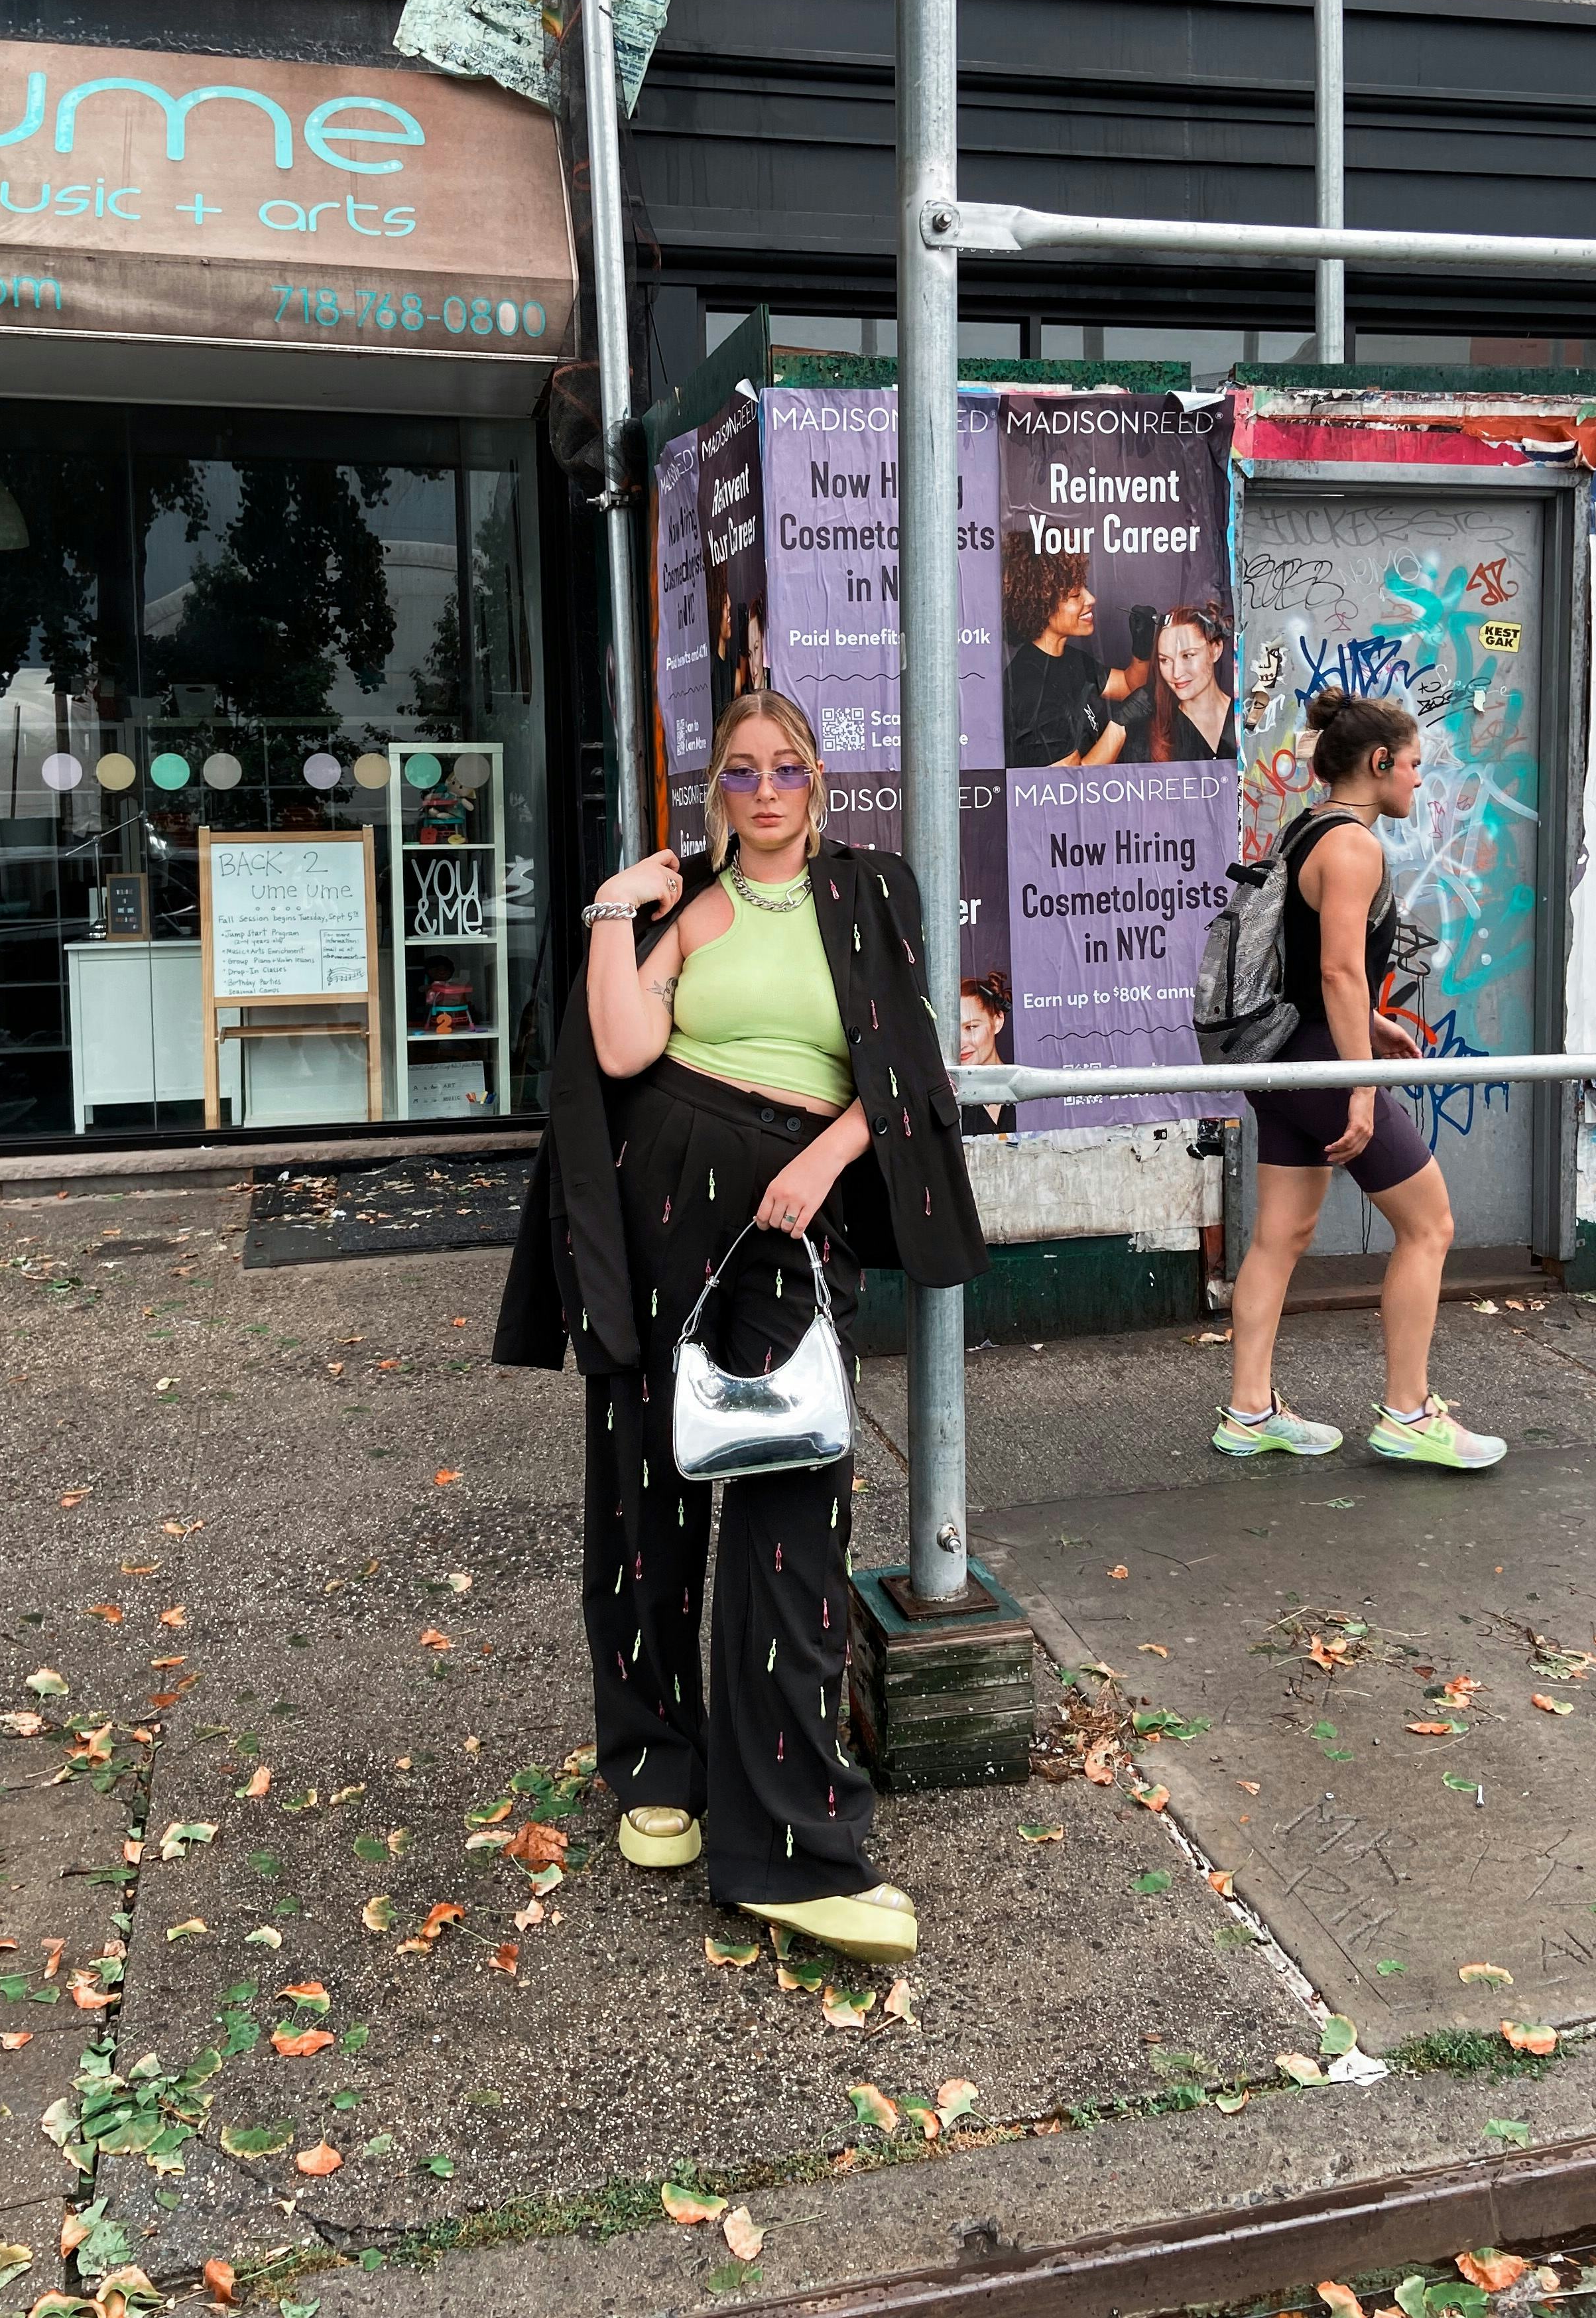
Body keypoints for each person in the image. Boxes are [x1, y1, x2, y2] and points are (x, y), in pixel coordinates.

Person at [493, 690, 987, 1964]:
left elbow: (906, 1063)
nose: (764, 790)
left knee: (790, 1505)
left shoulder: (870, 890)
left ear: (817, 777)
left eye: (785, 768)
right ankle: (656, 1763)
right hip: (655, 1197)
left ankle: (787, 1839)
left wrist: (825, 1159)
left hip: (788, 1210)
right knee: (643, 1490)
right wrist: (614, 907)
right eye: (740, 771)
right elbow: (619, 1049)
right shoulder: (686, 902)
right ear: (716, 787)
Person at [1218, 687, 1506, 1472]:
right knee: (1430, 1225)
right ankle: (1410, 1413)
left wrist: (1369, 1026)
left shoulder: (1306, 827)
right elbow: (1340, 970)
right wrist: (1362, 1084)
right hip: (1318, 1063)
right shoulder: (1353, 847)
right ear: (1379, 763)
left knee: (1281, 1234)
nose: (1419, 779)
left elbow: (1316, 964)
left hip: (1283, 1058)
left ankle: (1249, 1412)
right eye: (1412, 764)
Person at [1002, 556, 1155, 767]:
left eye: (1085, 588)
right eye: (1075, 595)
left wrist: (1142, 649)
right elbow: (1071, 780)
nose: (1091, 599)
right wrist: (1119, 726)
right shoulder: (1030, 687)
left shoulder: (1069, 658)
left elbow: (1130, 687)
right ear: (1042, 607)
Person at [1115, 605, 1238, 763]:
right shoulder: (1149, 734)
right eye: (1165, 660)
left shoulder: (1246, 718)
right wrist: (1118, 724)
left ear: (1215, 650)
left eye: (1188, 656)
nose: (1176, 673)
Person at [957, 972, 1016, 1132]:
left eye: (971, 1027)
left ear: (997, 1021)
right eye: (952, 1030)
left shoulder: (1028, 1085)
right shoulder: (944, 1101)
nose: (961, 1043)